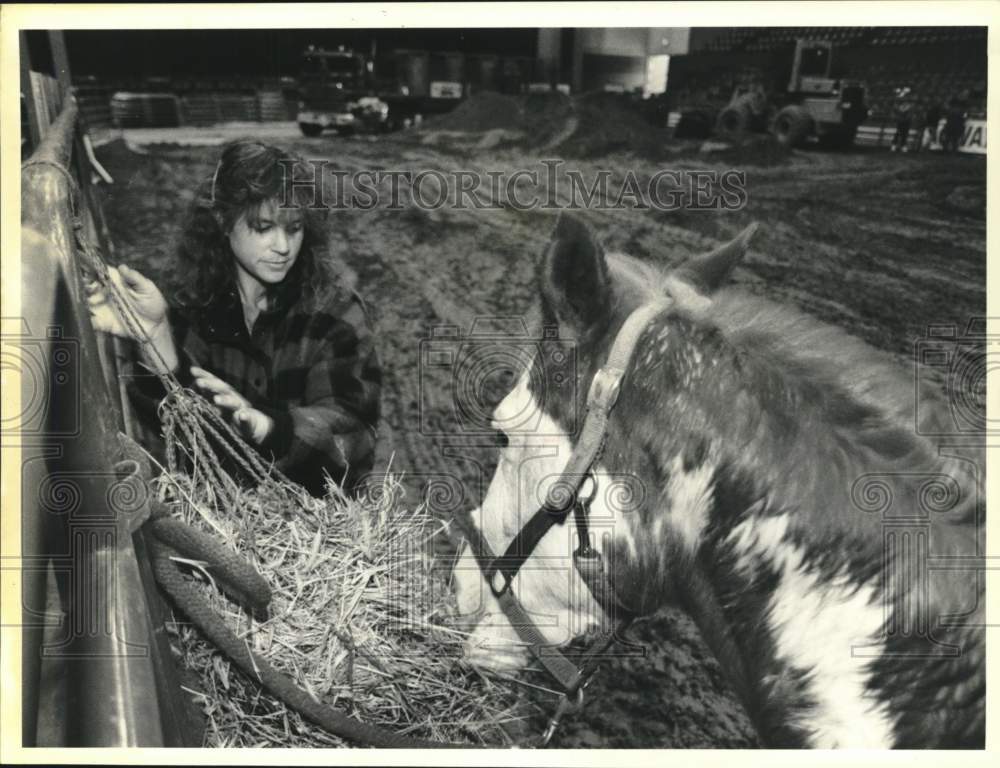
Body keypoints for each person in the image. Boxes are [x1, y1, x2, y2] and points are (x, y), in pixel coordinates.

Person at [88, 140, 381, 497]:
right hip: (221, 519)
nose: (283, 247)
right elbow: (173, 430)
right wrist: (156, 337)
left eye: (294, 228)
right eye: (263, 227)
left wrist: (271, 427)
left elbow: (353, 434)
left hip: (315, 518)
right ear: (223, 220)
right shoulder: (189, 303)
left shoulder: (334, 312)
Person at [890, 86, 914, 153]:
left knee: (905, 134)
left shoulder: (909, 104)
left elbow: (909, 111)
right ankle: (894, 145)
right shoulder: (898, 102)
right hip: (900, 120)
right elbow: (897, 109)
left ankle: (903, 146)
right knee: (898, 133)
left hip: (906, 120)